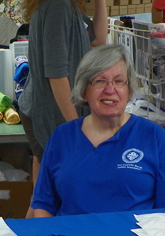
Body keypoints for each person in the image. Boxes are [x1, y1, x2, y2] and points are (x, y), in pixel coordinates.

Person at [31, 44, 165, 218]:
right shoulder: (61, 137)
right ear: (84, 91)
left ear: (129, 89)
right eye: (100, 81)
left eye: (119, 81)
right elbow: (43, 205)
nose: (110, 90)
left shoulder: (154, 137)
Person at [17, 0, 107, 218]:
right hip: (49, 114)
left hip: (49, 111)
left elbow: (99, 39)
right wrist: (76, 127)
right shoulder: (59, 5)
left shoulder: (69, 5)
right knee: (45, 200)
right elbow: (56, 75)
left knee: (42, 196)